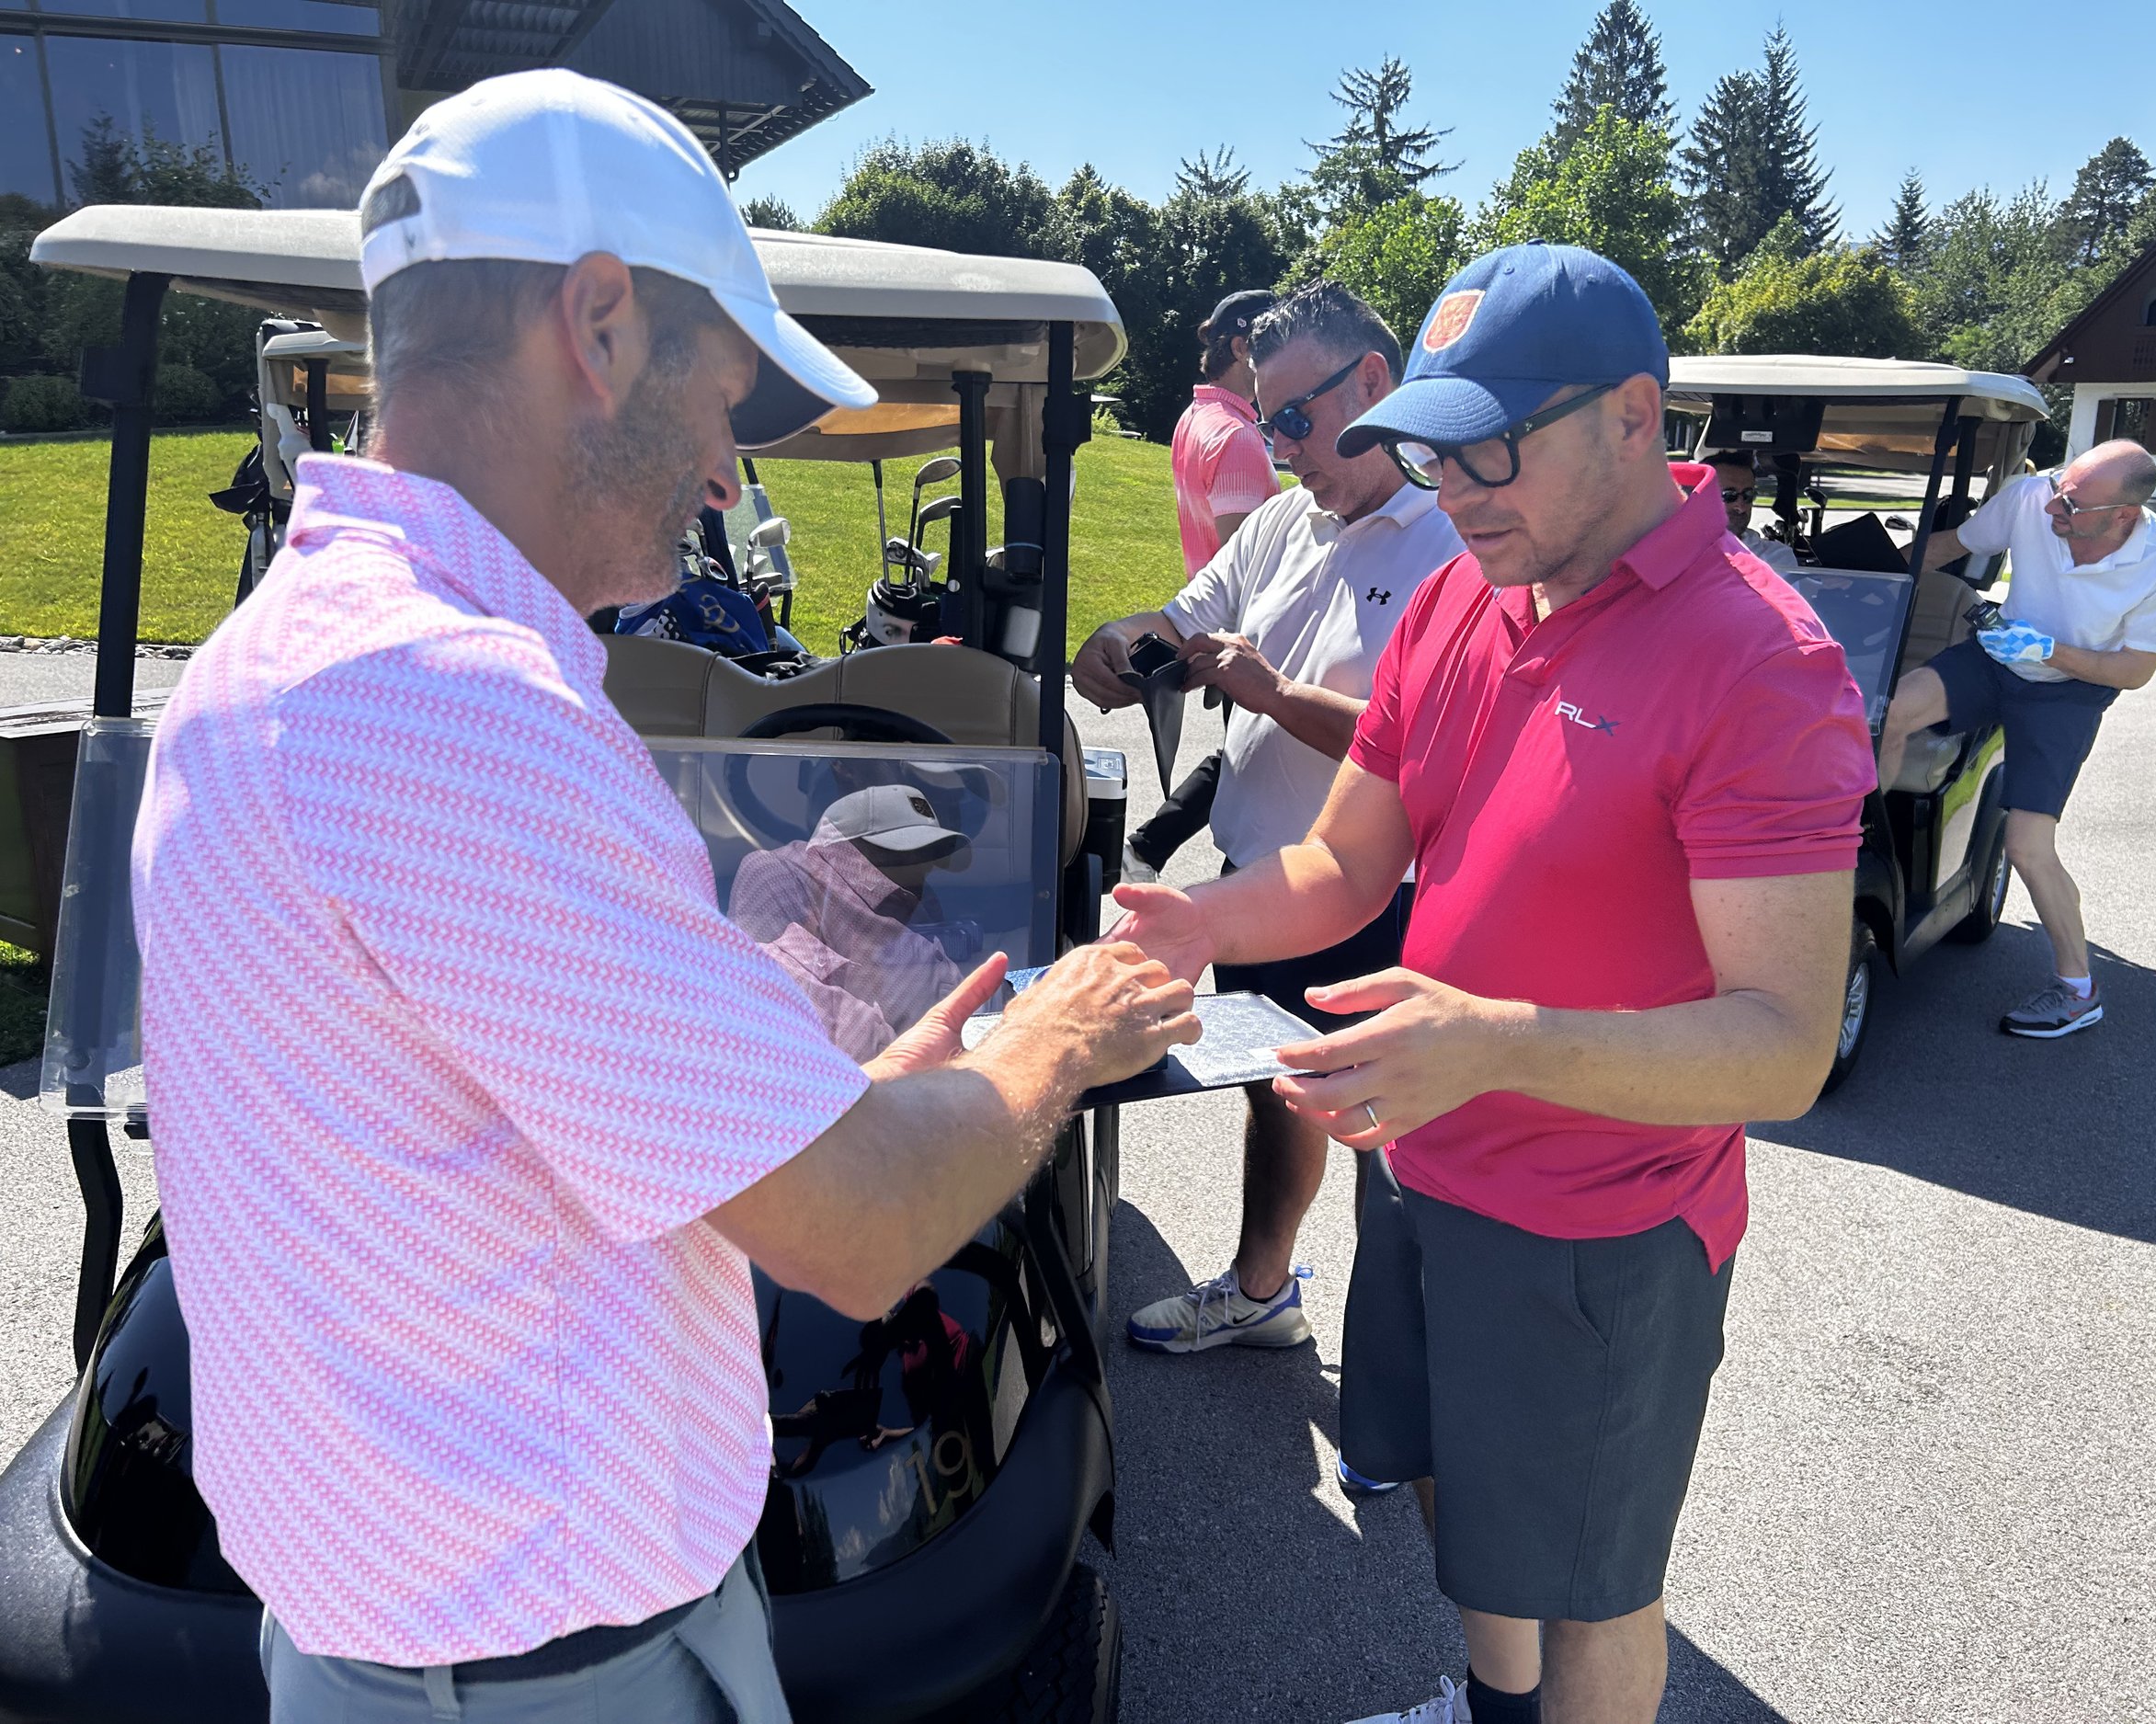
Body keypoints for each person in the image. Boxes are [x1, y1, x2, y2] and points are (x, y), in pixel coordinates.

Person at [131, 71, 1198, 1724]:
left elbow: (504, 1133)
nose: (723, 471)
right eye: (726, 399)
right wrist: (1058, 1035)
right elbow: (856, 1235)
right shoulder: (453, 708)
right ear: (601, 323)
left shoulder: (277, 657)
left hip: (399, 1641)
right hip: (547, 1676)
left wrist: (844, 1100)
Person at [1109, 245, 1875, 1724]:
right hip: (1422, 1153)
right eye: (1431, 451)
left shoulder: (1760, 663)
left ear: (1635, 416)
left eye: (1489, 449)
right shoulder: (1467, 594)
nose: (1452, 492)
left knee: (1593, 1587)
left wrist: (1493, 1043)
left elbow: (1784, 1047)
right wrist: (1191, 921)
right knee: (1459, 1502)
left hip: (1600, 1224)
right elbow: (1344, 861)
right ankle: (1489, 1702)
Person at [1072, 281, 1463, 1359]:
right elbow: (1185, 616)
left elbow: (1433, 755)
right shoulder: (1289, 520)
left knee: (1390, 1140)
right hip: (1263, 877)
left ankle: (1403, 1372)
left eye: (1294, 417)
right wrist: (1123, 641)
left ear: (1374, 385)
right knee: (1281, 1088)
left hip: (1382, 898)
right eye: (1266, 418)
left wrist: (1276, 694)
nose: (1278, 446)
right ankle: (1261, 1291)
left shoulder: (1453, 543)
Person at [1879, 438, 2156, 1039]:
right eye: (2058, 490)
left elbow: (2134, 671)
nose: (2053, 508)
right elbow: (1948, 546)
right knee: (1888, 714)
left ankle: (2078, 990)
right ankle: (1865, 854)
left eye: (2070, 504)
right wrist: (1862, 574)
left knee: (2027, 845)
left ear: (2122, 515)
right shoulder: (2031, 498)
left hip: (2069, 690)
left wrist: (2047, 651)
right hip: (1996, 658)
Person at [1124, 288, 1285, 883]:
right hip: (1243, 630)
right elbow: (1246, 558)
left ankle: (1147, 849)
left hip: (1216, 618)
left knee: (1245, 758)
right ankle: (1150, 851)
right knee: (1255, 767)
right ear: (1243, 348)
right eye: (1276, 347)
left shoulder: (1196, 418)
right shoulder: (1237, 436)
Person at [729, 784, 975, 1062]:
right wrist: (902, 1055)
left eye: (929, 852)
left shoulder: (916, 923)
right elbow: (770, 991)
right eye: (911, 851)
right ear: (848, 850)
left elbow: (961, 1017)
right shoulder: (780, 874)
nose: (926, 866)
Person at [1703, 447, 1798, 573]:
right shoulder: (1682, 551)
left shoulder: (1776, 556)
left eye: (1748, 495)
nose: (1740, 507)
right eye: (1729, 495)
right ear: (1701, 497)